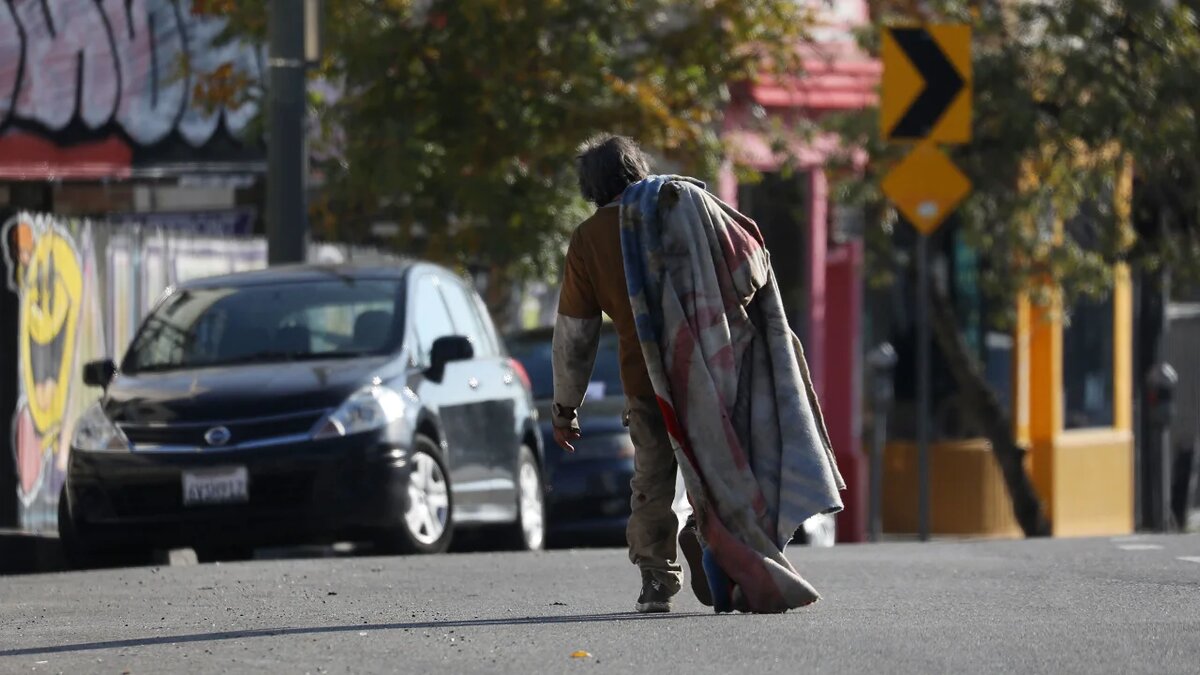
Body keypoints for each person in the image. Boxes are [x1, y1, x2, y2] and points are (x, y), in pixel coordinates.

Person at [551, 134, 708, 613]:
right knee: (721, 469)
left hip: (646, 384)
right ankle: (721, 547)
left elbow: (576, 333)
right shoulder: (686, 209)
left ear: (591, 186)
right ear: (637, 170)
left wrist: (565, 407)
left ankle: (656, 580)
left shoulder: (589, 240)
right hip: (711, 371)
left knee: (653, 481)